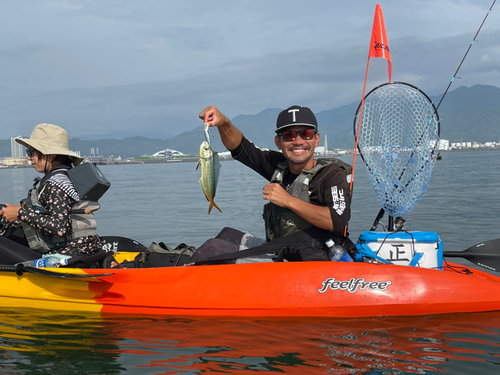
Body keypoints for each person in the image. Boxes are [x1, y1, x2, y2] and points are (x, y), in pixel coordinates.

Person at [195, 105, 352, 262]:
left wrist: (288, 200)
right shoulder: (279, 166)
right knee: (226, 234)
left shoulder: (331, 174)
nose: (298, 141)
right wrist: (224, 122)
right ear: (278, 141)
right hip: (282, 250)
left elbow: (337, 220)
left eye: (306, 134)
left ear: (316, 139)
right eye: (289, 135)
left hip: (311, 261)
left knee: (213, 248)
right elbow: (242, 148)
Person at [0, 123, 103, 265]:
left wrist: (20, 213)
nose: (30, 158)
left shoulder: (55, 184)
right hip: (86, 249)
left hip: (68, 255)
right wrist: (15, 213)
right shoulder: (68, 177)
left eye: (32, 152)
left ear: (51, 154)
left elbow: (59, 227)